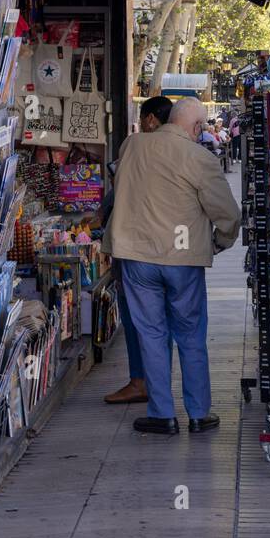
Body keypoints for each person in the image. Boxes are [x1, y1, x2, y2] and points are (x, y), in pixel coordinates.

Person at [106, 97, 241, 434]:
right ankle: (198, 414)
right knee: (191, 336)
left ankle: (162, 414)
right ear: (196, 128)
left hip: (137, 258)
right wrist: (219, 243)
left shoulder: (133, 145)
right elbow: (227, 213)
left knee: (151, 334)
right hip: (182, 260)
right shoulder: (199, 157)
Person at [103, 95, 174, 406]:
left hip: (136, 246)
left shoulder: (134, 146)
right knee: (167, 322)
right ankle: (158, 384)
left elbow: (121, 191)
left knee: (137, 318)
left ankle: (140, 381)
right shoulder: (185, 151)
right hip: (173, 249)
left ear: (149, 120)